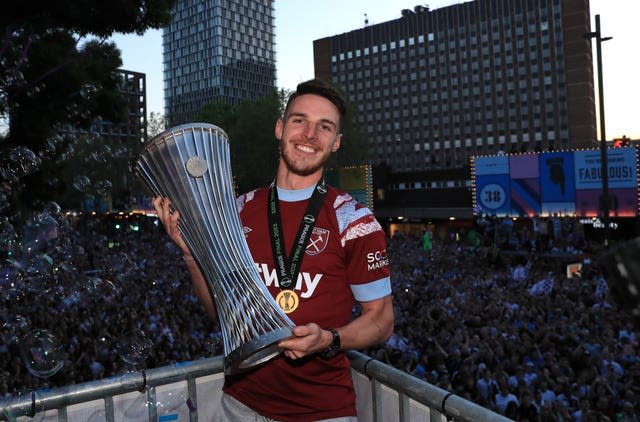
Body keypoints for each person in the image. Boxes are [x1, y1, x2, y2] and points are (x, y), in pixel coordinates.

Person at [153, 78, 394, 421]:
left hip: (323, 411)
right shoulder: (234, 212)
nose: (310, 135)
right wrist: (191, 254)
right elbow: (219, 312)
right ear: (280, 128)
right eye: (299, 121)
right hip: (239, 405)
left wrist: (329, 339)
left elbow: (382, 320)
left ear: (336, 142)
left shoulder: (355, 220)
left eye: (324, 127)